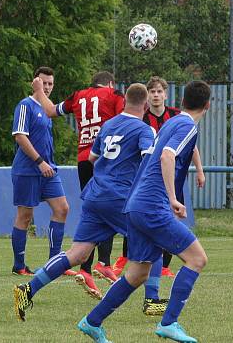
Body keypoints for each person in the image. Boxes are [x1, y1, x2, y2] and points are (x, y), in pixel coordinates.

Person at [77, 80, 211, 343]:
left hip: (135, 204)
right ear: (208, 105)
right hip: (151, 205)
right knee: (197, 259)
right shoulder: (186, 126)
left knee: (137, 273)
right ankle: (169, 322)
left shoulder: (171, 122)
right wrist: (173, 198)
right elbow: (166, 156)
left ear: (182, 101)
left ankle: (92, 322)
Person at [13, 83, 155, 320]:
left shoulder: (109, 125)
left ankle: (27, 290)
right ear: (146, 105)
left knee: (77, 253)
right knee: (154, 240)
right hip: (119, 197)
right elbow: (148, 163)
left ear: (126, 101)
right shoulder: (144, 130)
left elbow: (92, 157)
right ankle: (153, 302)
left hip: (95, 194)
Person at [33, 70, 125, 295]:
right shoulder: (114, 95)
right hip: (106, 159)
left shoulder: (79, 95)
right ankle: (102, 263)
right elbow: (124, 122)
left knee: (94, 211)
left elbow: (50, 110)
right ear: (110, 83)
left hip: (84, 160)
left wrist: (38, 91)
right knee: (112, 210)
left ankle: (86, 268)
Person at [115, 76, 205, 281]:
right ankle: (130, 259)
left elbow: (190, 147)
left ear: (166, 94)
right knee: (195, 256)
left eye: (159, 91)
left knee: (157, 228)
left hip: (165, 180)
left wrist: (200, 170)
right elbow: (166, 154)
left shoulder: (175, 117)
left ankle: (159, 272)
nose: (156, 95)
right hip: (151, 182)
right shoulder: (143, 118)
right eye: (152, 92)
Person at [10, 67, 69, 276]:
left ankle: (55, 263)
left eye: (50, 84)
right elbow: (20, 136)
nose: (47, 87)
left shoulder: (47, 109)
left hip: (49, 169)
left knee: (62, 209)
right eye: (43, 83)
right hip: (28, 170)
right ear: (35, 83)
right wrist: (39, 161)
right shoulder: (25, 105)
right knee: (25, 216)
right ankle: (19, 266)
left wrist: (47, 163)